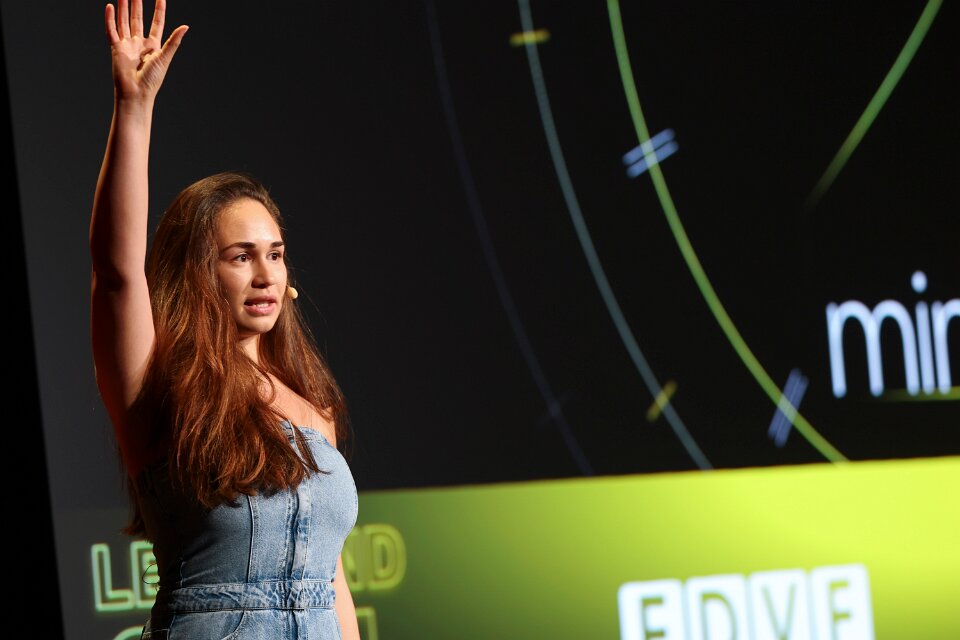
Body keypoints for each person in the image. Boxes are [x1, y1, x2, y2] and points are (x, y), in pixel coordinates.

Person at [89, 1, 361, 637]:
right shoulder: (160, 389)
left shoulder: (314, 407)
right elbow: (117, 273)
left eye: (276, 254)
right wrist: (134, 108)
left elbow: (332, 583)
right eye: (241, 257)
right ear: (197, 274)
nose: (266, 274)